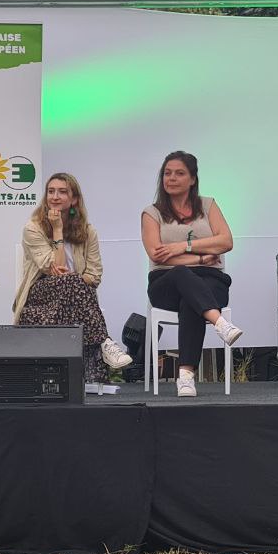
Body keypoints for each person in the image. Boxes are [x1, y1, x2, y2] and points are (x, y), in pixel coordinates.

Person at [140, 150, 241, 397]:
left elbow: (226, 241)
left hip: (210, 279)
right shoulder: (152, 213)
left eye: (179, 173)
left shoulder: (208, 205)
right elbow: (157, 255)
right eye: (167, 173)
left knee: (191, 300)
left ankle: (185, 377)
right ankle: (219, 323)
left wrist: (182, 247)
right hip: (166, 282)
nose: (171, 178)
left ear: (193, 179)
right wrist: (201, 257)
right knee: (182, 274)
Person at [15, 172, 132, 382]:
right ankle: (104, 342)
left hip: (76, 298)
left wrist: (74, 280)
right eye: (51, 191)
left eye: (62, 192)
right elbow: (54, 269)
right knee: (68, 281)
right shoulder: (33, 228)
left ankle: (103, 344)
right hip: (41, 295)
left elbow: (94, 275)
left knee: (71, 282)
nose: (55, 197)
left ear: (74, 199)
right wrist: (57, 230)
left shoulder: (88, 231)